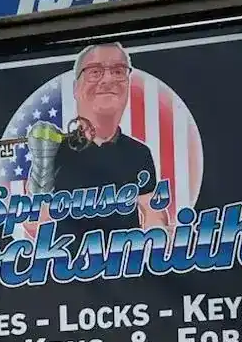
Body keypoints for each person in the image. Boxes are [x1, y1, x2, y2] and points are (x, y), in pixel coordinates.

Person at [51, 42, 168, 238]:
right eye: (95, 72)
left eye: (118, 71)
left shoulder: (139, 153)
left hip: (125, 264)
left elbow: (152, 212)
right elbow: (32, 220)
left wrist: (157, 241)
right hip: (67, 265)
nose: (108, 80)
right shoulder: (53, 151)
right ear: (76, 87)